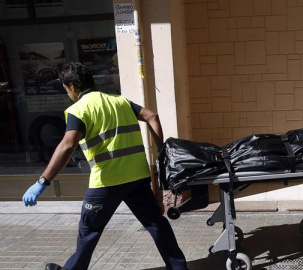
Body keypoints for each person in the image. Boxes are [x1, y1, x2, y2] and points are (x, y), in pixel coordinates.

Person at [22, 62, 189, 270]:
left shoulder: (78, 110)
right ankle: (178, 267)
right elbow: (152, 116)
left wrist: (43, 181)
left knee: (89, 232)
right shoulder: (119, 101)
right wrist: (161, 152)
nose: (67, 94)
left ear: (73, 86)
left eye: (66, 89)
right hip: (137, 178)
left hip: (107, 182)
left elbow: (67, 145)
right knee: (156, 224)